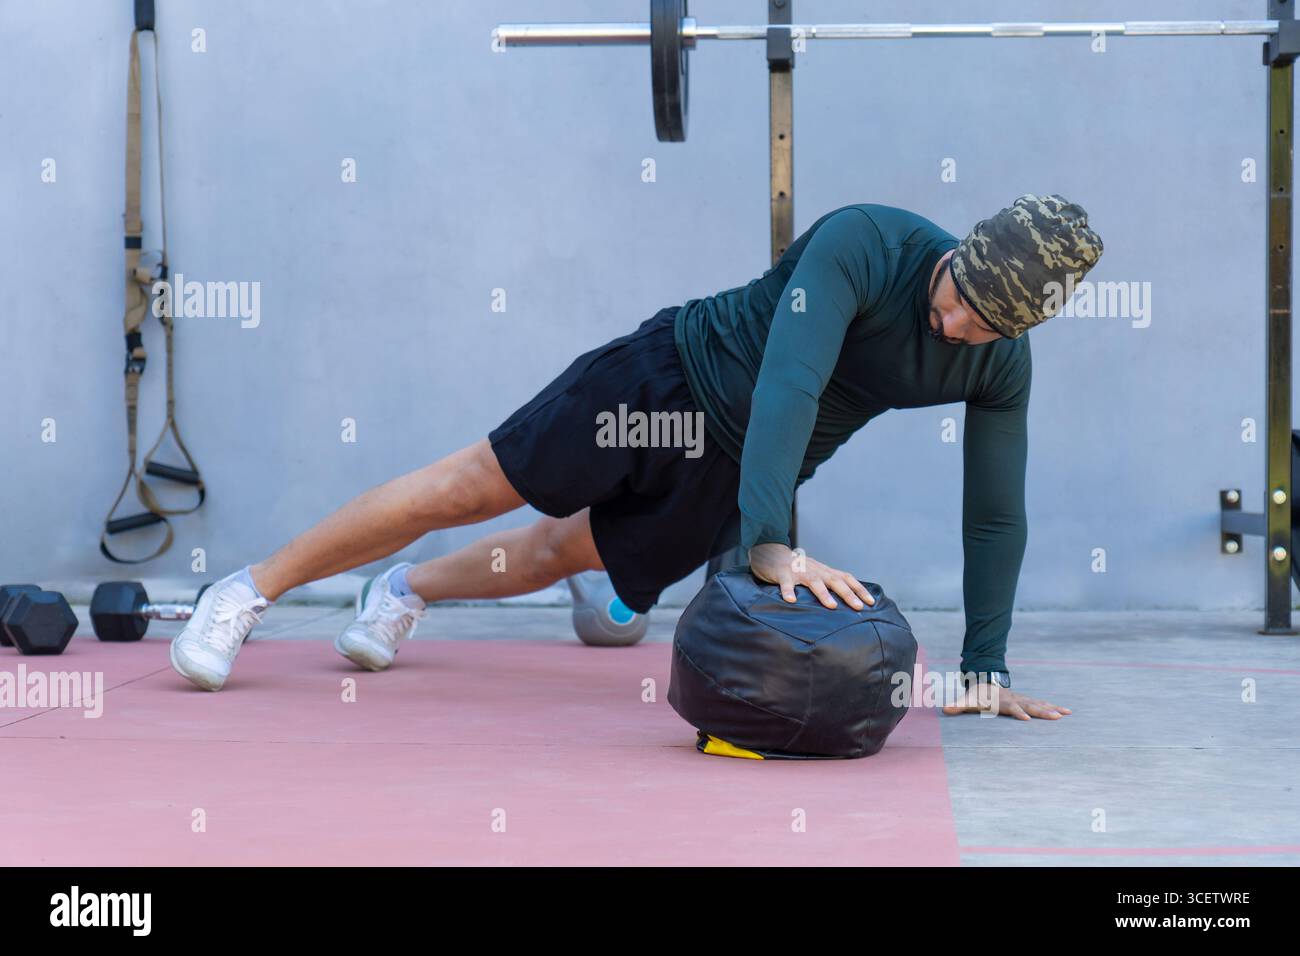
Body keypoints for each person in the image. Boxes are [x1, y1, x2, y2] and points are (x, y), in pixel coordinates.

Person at [170, 194, 1102, 720]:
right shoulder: (867, 242)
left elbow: (993, 512)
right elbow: (789, 384)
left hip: (735, 473)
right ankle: (248, 591)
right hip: (666, 383)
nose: (954, 326)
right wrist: (772, 541)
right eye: (955, 300)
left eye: (983, 328)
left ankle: (405, 591)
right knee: (469, 487)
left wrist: (986, 664)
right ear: (960, 250)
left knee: (556, 554)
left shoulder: (1000, 365)